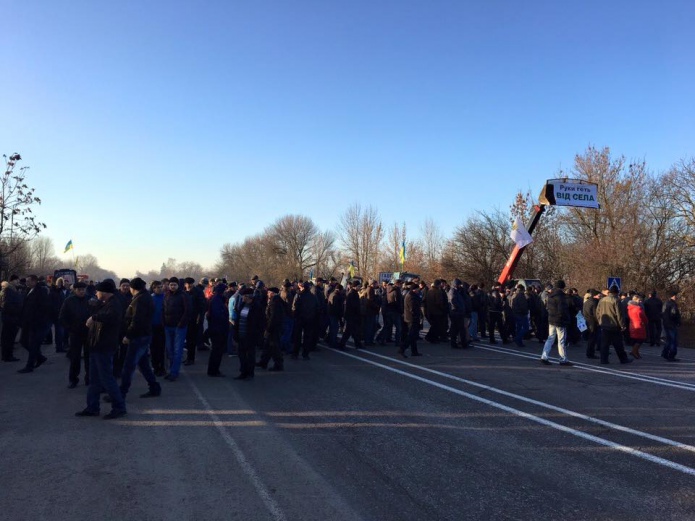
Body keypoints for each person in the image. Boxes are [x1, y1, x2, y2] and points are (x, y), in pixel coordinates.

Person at [75, 279, 127, 420]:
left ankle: (119, 407)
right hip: (96, 345)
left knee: (107, 379)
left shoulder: (114, 304)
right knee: (94, 379)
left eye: (98, 291)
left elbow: (111, 317)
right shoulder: (105, 303)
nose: (96, 293)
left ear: (104, 293)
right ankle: (92, 407)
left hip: (104, 346)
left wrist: (94, 317)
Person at [120, 277, 161, 399]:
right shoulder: (145, 297)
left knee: (128, 366)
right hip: (144, 335)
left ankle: (121, 393)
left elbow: (136, 320)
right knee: (144, 365)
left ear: (133, 288)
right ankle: (154, 387)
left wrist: (128, 335)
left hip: (138, 336)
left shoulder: (140, 300)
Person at [59, 281, 92, 388]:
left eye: (83, 289)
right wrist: (69, 328)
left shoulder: (90, 300)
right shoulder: (69, 301)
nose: (82, 292)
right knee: (75, 358)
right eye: (79, 290)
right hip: (75, 333)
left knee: (89, 358)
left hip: (88, 333)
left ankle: (89, 378)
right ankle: (73, 379)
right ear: (74, 290)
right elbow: (62, 317)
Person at [17, 275, 50, 374]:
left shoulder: (40, 292)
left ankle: (29, 366)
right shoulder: (29, 290)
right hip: (27, 322)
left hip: (36, 323)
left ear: (34, 281)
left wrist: (38, 320)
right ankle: (40, 357)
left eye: (28, 281)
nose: (26, 283)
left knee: (33, 344)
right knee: (23, 341)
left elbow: (44, 308)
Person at [595, 285, 632, 365]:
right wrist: (622, 325)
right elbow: (619, 314)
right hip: (614, 325)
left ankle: (603, 360)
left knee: (604, 344)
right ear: (616, 292)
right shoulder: (616, 300)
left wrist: (599, 321)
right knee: (618, 344)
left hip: (604, 325)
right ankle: (623, 359)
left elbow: (597, 312)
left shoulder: (602, 300)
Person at [163, 277, 191, 381]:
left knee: (177, 350)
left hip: (179, 327)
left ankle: (174, 372)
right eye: (171, 285)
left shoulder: (184, 296)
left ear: (178, 285)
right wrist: (163, 322)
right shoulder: (166, 295)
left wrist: (181, 323)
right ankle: (171, 370)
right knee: (169, 350)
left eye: (174, 284)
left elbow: (187, 311)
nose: (172, 286)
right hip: (167, 326)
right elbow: (163, 309)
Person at [540, 280, 572, 366]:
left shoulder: (550, 295)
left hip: (551, 319)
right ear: (563, 287)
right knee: (561, 340)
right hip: (560, 321)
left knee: (550, 338)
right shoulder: (561, 297)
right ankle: (563, 359)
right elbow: (562, 310)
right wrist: (566, 319)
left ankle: (544, 356)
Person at [234, 288, 263, 379]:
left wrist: (258, 335)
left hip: (250, 335)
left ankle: (250, 373)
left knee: (250, 355)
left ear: (248, 297)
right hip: (241, 334)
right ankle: (243, 372)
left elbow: (260, 323)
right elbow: (238, 320)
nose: (242, 298)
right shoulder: (243, 305)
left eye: (243, 296)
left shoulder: (256, 307)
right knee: (241, 354)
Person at [256, 286, 284, 371]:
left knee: (275, 347)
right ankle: (263, 361)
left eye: (269, 292)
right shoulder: (275, 300)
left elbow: (273, 317)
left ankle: (278, 365)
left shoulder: (275, 302)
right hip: (274, 328)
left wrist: (268, 329)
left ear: (273, 293)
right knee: (268, 346)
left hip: (273, 329)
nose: (267, 294)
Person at [206, 282, 230, 376]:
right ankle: (213, 371)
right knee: (217, 351)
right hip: (218, 329)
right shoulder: (216, 300)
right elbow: (217, 315)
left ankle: (214, 370)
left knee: (217, 351)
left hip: (218, 328)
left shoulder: (218, 299)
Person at [0, 280, 22, 362]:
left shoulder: (3, 292)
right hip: (12, 318)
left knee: (5, 338)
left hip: (6, 318)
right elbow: (8, 306)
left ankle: (5, 355)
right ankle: (8, 356)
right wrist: (17, 311)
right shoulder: (10, 293)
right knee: (9, 338)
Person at [339, 280, 363, 351]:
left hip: (352, 315)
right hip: (352, 315)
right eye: (359, 286)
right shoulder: (352, 294)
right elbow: (353, 306)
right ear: (355, 286)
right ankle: (342, 344)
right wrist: (357, 312)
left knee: (354, 331)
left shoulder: (354, 293)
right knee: (349, 331)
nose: (360, 288)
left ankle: (357, 344)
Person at [149, 281, 166, 376]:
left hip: (163, 326)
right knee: (154, 348)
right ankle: (155, 366)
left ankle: (162, 367)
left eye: (160, 287)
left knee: (162, 348)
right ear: (153, 288)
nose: (159, 289)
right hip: (153, 326)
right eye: (157, 287)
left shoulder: (165, 297)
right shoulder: (151, 298)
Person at [402, 282, 422, 357]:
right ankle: (402, 348)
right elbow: (412, 308)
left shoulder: (412, 295)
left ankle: (414, 351)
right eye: (418, 289)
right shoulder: (411, 296)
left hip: (411, 318)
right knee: (412, 335)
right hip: (411, 318)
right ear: (414, 289)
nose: (419, 290)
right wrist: (417, 316)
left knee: (414, 336)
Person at [661, 291, 681, 361]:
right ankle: (671, 355)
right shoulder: (673, 304)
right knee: (673, 340)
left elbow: (663, 314)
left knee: (669, 340)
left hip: (666, 323)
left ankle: (665, 353)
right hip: (672, 324)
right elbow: (674, 314)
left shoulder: (665, 303)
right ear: (672, 296)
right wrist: (678, 321)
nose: (676, 297)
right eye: (675, 295)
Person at [627, 293, 647, 359]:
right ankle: (634, 351)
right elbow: (643, 317)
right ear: (635, 300)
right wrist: (646, 322)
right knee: (640, 339)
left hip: (632, 324)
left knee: (636, 339)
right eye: (639, 300)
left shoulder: (630, 308)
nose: (640, 302)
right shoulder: (638, 309)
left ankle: (636, 352)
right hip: (639, 325)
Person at [582, 289, 601, 359]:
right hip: (593, 322)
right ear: (595, 296)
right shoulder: (595, 302)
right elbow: (596, 314)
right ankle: (590, 353)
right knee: (592, 338)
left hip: (587, 320)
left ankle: (589, 352)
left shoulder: (587, 302)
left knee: (590, 338)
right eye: (598, 296)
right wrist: (599, 322)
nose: (599, 297)